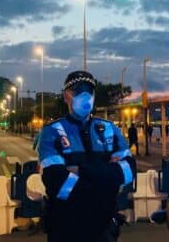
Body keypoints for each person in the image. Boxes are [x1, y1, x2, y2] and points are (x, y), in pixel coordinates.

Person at [37, 71, 135, 242]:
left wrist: (79, 171)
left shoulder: (110, 130)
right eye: (77, 91)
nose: (85, 96)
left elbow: (128, 172)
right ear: (66, 96)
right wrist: (107, 179)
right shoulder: (51, 132)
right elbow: (57, 184)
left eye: (89, 91)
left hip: (104, 228)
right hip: (66, 228)